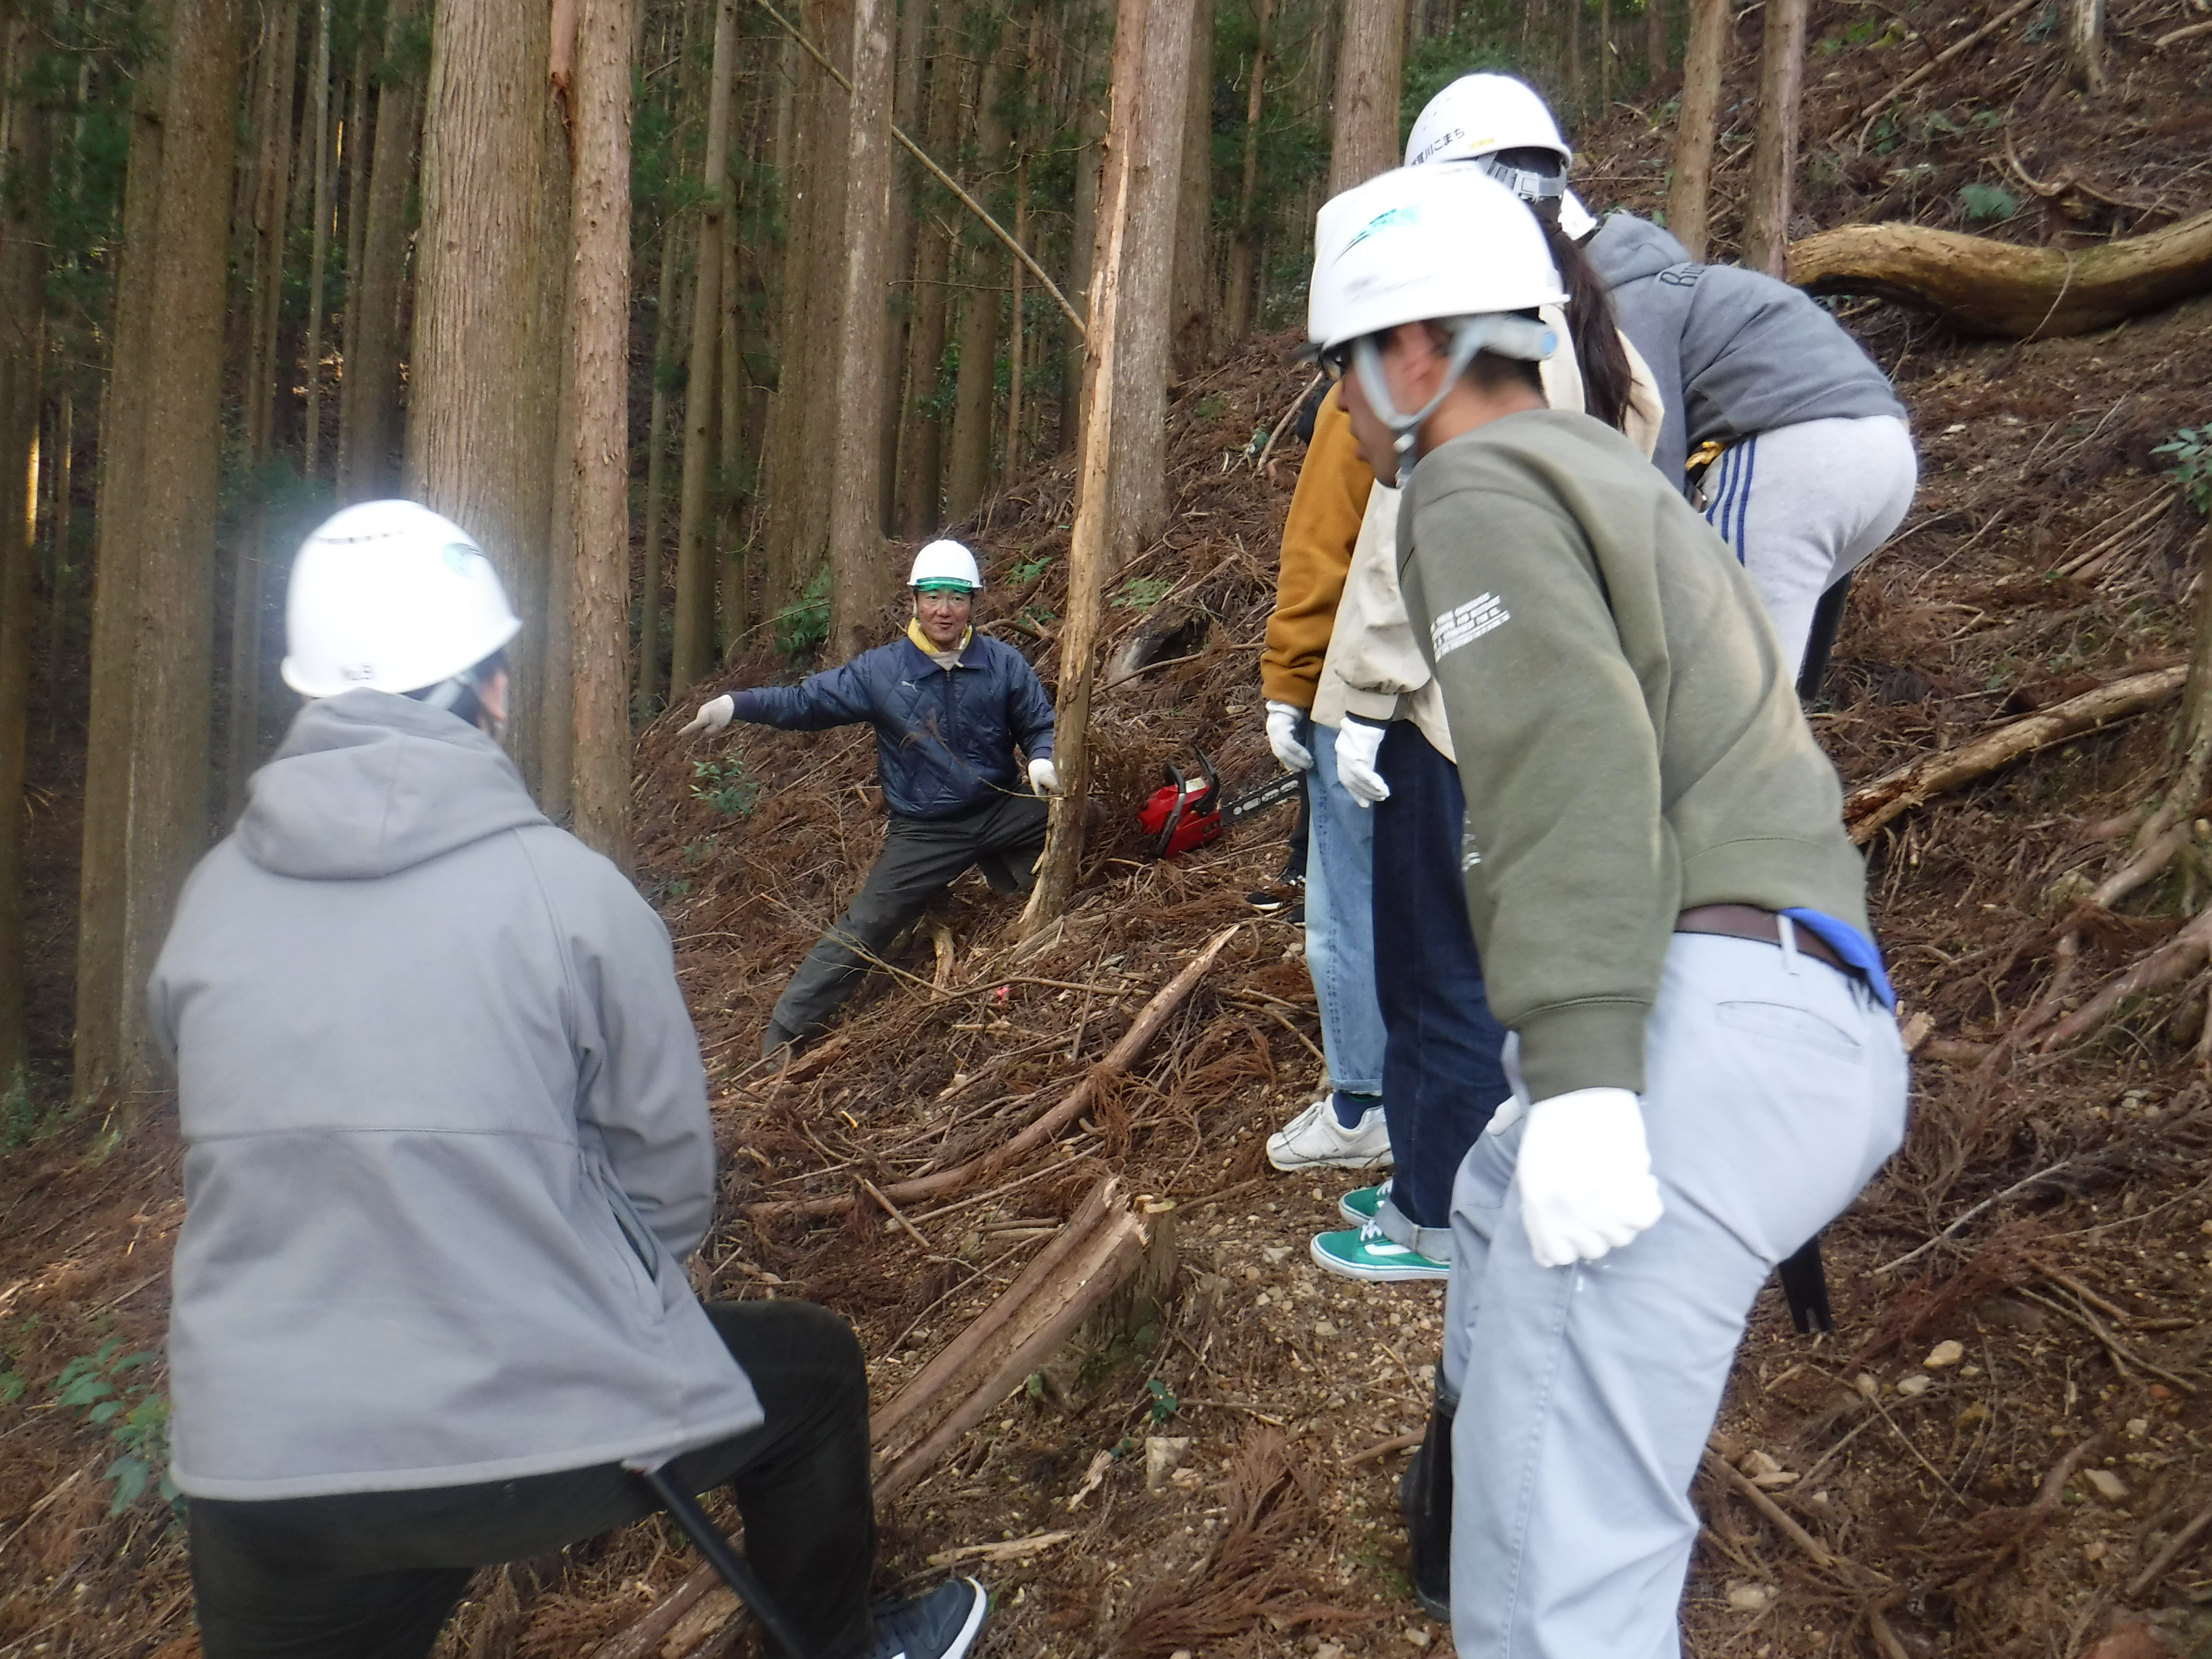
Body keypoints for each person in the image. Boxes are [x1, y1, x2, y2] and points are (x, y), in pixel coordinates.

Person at [149, 500, 991, 1659]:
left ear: (315, 690)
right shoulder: (572, 895)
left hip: (257, 1459)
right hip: (522, 1423)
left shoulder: (208, 903)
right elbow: (670, 1194)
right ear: (490, 685)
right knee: (810, 1375)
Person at [1306, 164, 1907, 1647]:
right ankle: (1449, 1492)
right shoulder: (1612, 470)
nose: (1342, 411)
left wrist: (1580, 1078)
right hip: (1809, 1010)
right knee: (1498, 1204)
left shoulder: (1475, 481)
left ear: (1415, 353)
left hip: (1694, 1025)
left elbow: (1566, 755)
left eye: (1341, 372)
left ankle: (1479, 1541)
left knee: (1559, 1575)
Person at [1407, 72, 1918, 693]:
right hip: (1881, 453)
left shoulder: (1621, 305)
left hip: (1800, 457)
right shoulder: (1646, 280)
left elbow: (1647, 463)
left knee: (1724, 698)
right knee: (1759, 704)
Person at [708, 540, 1058, 1057]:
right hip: (926, 830)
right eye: (934, 596)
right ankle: (786, 1033)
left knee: (1080, 820)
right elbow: (807, 702)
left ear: (973, 604)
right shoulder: (881, 672)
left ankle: (1003, 872)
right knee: (868, 925)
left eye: (957, 597)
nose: (945, 609)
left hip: (1000, 804)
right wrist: (737, 704)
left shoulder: (1003, 663)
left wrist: (1042, 756)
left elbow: (1036, 720)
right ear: (915, 600)